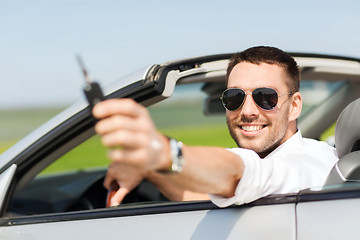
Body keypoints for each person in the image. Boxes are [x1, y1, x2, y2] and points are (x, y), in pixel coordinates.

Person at [93, 46, 339, 207]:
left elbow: (238, 171)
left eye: (266, 97)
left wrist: (165, 153)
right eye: (234, 97)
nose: (248, 111)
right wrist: (150, 172)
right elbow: (208, 194)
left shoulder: (302, 167)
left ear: (295, 106)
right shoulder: (310, 156)